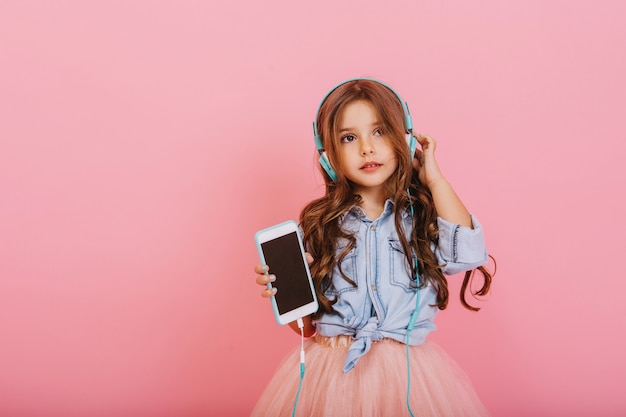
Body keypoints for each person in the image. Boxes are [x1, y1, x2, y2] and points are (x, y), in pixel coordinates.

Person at [252, 78, 494, 417]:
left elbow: (466, 255)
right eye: (349, 138)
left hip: (407, 376)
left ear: (406, 140)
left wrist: (435, 180)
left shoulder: (420, 216)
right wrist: (289, 294)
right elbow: (306, 328)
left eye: (379, 132)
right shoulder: (320, 224)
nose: (367, 148)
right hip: (331, 374)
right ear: (327, 154)